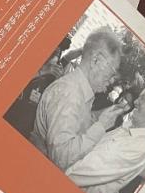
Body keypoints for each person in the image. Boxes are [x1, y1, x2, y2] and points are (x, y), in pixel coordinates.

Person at [30, 27, 125, 171]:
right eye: (112, 71)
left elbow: (76, 127)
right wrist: (101, 126)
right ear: (96, 60)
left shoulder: (81, 92)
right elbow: (62, 159)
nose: (112, 80)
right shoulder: (70, 93)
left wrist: (98, 118)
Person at [65, 84, 145, 193]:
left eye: (143, 98)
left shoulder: (141, 147)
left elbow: (85, 171)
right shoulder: (127, 128)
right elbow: (91, 149)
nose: (135, 101)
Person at [4, 37, 71, 136]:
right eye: (54, 53)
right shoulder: (29, 64)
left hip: (25, 127)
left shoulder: (51, 75)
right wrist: (42, 71)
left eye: (57, 54)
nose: (55, 57)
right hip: (10, 117)